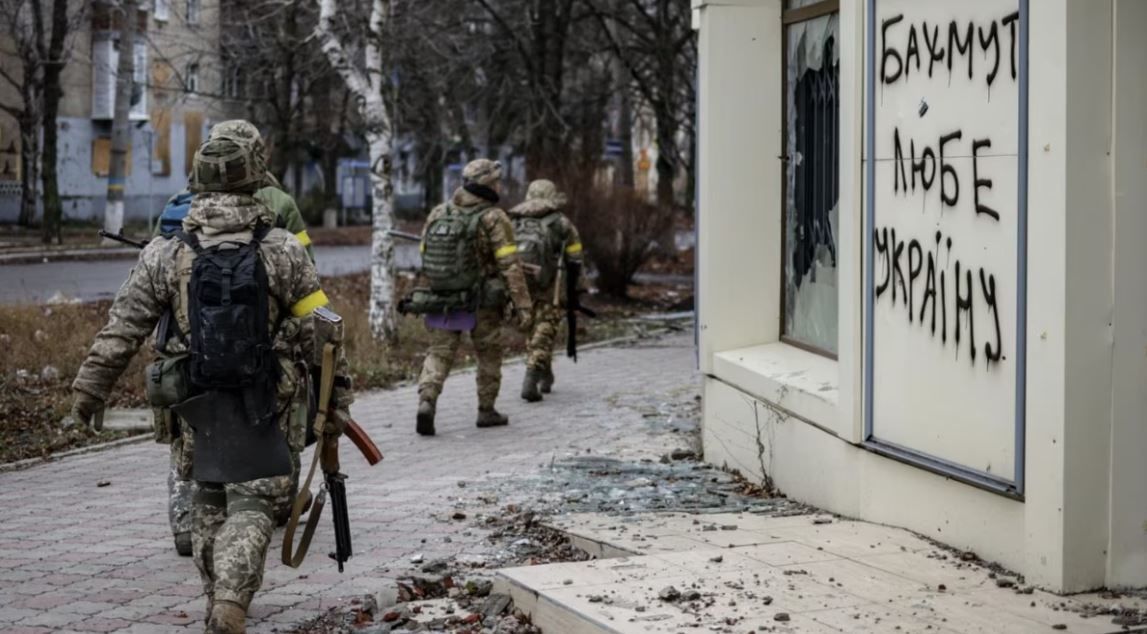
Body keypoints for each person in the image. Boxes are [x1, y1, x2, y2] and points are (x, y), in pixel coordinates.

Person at [70, 134, 352, 633]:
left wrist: (88, 391)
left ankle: (219, 598)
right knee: (254, 502)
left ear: (196, 183)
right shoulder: (282, 249)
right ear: (255, 179)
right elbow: (323, 331)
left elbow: (123, 327)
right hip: (270, 399)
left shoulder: (166, 252)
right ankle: (230, 600)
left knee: (207, 498)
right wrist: (339, 399)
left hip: (192, 399)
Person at [158, 120, 313, 557]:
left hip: (186, 353)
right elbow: (305, 276)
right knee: (276, 428)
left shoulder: (176, 204)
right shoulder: (277, 201)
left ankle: (188, 523)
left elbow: (158, 273)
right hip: (261, 354)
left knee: (185, 438)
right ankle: (268, 505)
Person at [413, 158, 533, 436]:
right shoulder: (493, 217)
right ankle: (486, 410)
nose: (499, 185)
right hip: (482, 302)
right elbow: (510, 266)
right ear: (487, 184)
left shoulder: (439, 213)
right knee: (489, 352)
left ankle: (427, 400)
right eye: (496, 181)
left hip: (443, 299)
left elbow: (424, 254)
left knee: (439, 352)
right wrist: (522, 305)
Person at [507, 179, 583, 402]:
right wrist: (577, 287)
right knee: (545, 328)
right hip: (550, 284)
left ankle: (545, 374)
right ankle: (531, 377)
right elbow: (575, 257)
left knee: (534, 331)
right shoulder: (560, 222)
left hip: (521, 284)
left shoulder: (513, 221)